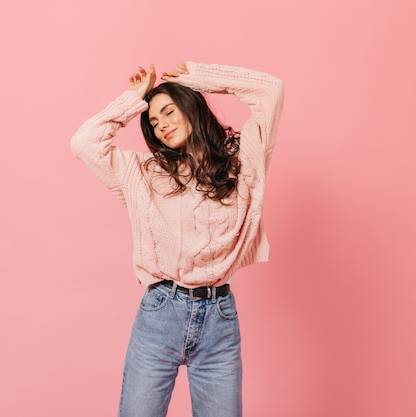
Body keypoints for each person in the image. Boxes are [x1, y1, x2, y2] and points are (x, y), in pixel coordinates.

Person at [71, 61, 283, 417]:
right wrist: (133, 99)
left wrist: (198, 77)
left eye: (168, 111)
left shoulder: (242, 164)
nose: (162, 124)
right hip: (160, 315)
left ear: (190, 108)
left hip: (220, 320)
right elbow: (84, 143)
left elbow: (270, 91)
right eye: (153, 122)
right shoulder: (143, 174)